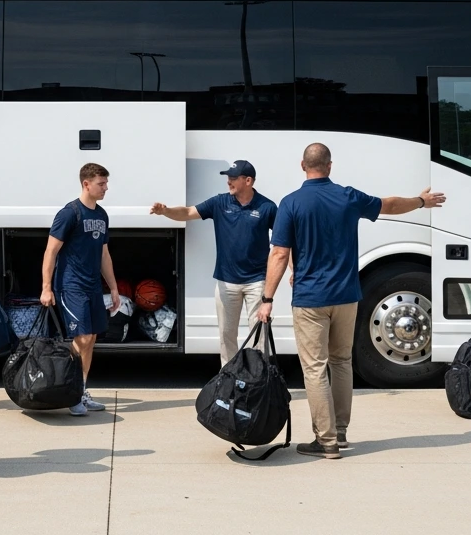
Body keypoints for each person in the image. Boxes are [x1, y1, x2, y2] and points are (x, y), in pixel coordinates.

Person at [256, 143, 445, 459]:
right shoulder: (348, 196)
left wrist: (267, 298)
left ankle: (326, 440)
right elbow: (389, 205)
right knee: (341, 362)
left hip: (310, 298)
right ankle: (340, 432)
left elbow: (279, 253)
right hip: (346, 295)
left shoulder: (291, 203)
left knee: (315, 368)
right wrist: (421, 201)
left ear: (303, 165)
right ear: (330, 166)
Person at [151, 159, 277, 365]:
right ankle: (228, 379)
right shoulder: (220, 202)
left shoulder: (267, 207)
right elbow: (188, 212)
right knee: (227, 336)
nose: (229, 181)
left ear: (248, 180)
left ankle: (260, 382)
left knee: (259, 336)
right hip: (226, 282)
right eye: (228, 177)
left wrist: (294, 269)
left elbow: (283, 243)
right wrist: (165, 211)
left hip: (257, 282)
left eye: (233, 178)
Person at [42, 162, 120, 417]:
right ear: (86, 184)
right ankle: (69, 388)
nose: (106, 188)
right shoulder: (69, 213)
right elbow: (50, 251)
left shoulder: (101, 215)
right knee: (82, 338)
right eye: (101, 183)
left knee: (91, 339)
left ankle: (81, 391)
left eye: (106, 183)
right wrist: (46, 288)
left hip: (93, 287)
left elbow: (104, 255)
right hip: (70, 286)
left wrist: (114, 288)